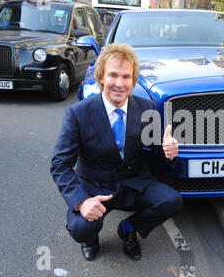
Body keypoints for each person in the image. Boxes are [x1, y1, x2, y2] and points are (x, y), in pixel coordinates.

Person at [51, 43, 183, 262]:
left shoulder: (147, 108)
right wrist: (82, 201)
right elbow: (60, 166)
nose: (119, 84)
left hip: (133, 182)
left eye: (126, 77)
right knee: (80, 227)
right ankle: (91, 239)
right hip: (95, 186)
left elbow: (157, 162)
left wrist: (168, 153)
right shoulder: (78, 113)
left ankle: (128, 229)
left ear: (133, 80)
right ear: (102, 76)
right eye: (113, 75)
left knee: (172, 201)